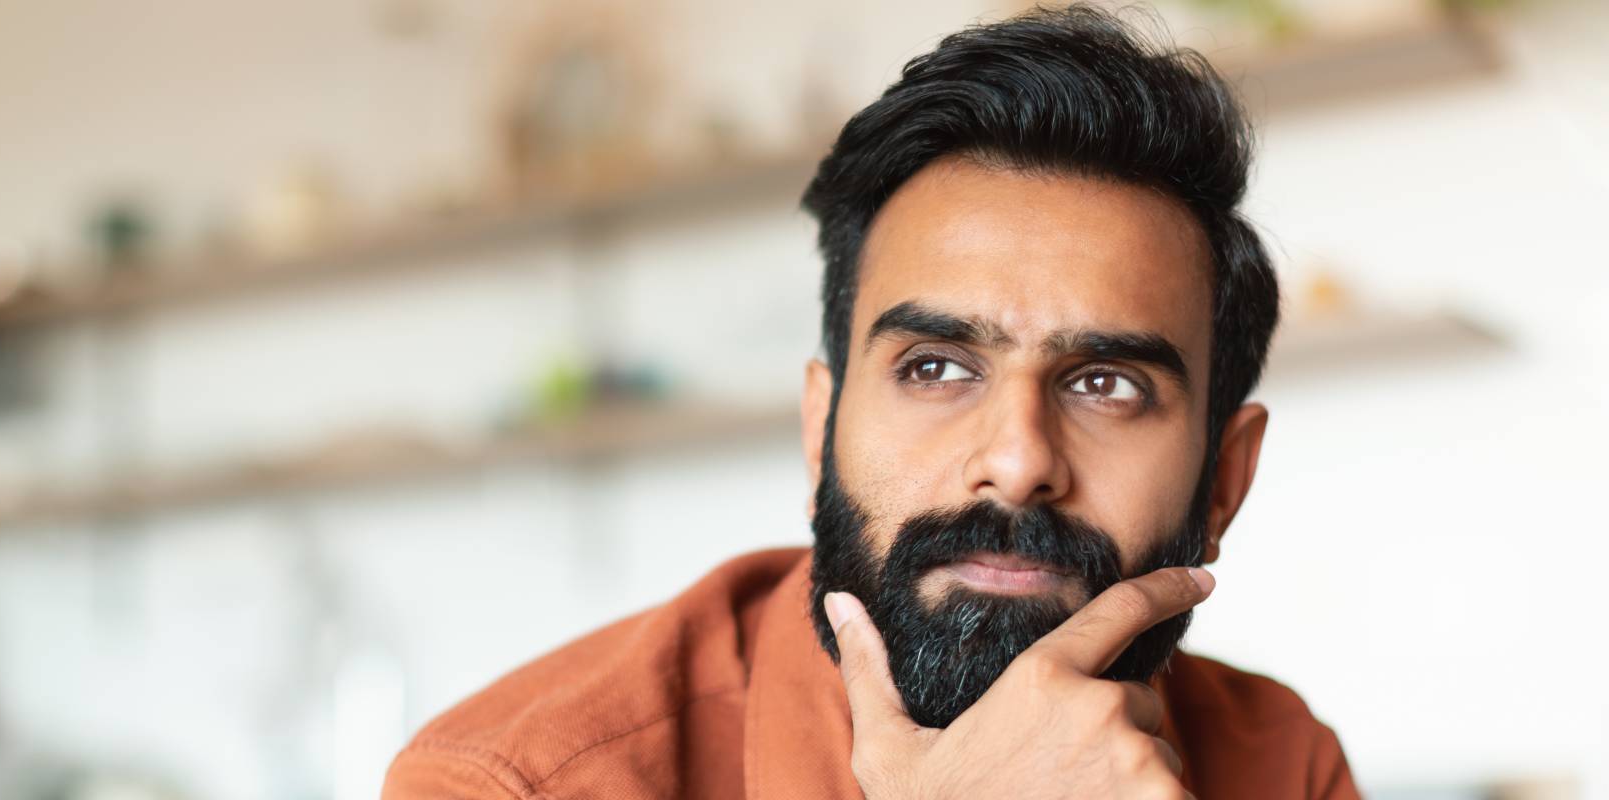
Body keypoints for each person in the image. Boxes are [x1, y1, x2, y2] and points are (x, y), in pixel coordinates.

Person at [382, 5, 1357, 798]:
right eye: (935, 367)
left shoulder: (1277, 761)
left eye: (1105, 383)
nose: (1017, 459)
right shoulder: (517, 781)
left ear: (1225, 478)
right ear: (820, 426)